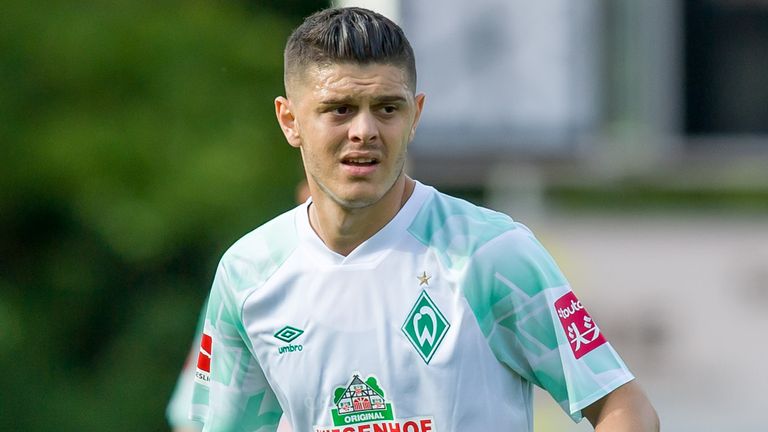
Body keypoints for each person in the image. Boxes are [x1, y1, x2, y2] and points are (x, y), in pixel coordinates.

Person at [189, 7, 659, 432]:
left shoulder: (490, 253)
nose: (365, 131)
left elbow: (623, 406)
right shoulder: (248, 272)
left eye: (387, 109)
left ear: (415, 115)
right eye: (340, 110)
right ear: (289, 120)